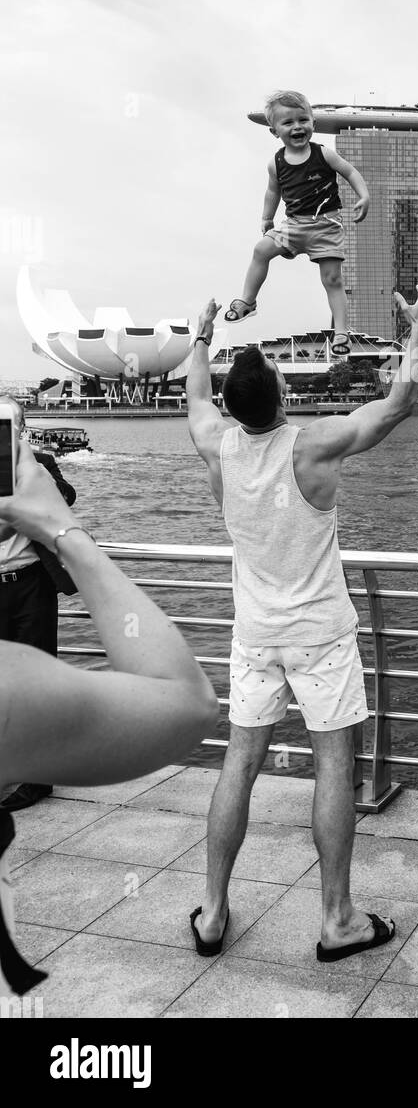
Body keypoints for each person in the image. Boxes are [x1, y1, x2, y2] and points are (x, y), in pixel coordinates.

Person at [185, 284, 418, 960]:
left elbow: (195, 399)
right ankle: (337, 920)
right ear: (284, 399)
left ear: (231, 411)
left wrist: (202, 334)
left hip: (256, 636)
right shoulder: (313, 446)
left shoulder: (217, 447)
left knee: (239, 762)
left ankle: (212, 912)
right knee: (332, 766)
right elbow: (398, 405)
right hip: (320, 635)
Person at [0, 439, 218, 996]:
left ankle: (34, 777)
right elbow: (187, 705)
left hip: (27, 582)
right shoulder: (9, 690)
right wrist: (63, 530)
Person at [224, 91, 370, 358]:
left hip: (326, 225)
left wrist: (364, 195)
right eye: (288, 123)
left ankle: (341, 331)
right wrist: (267, 217)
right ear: (274, 131)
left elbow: (349, 171)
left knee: (333, 279)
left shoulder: (323, 154)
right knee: (260, 250)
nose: (297, 127)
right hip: (294, 225)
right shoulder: (276, 163)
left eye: (303, 119)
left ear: (313, 122)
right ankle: (247, 301)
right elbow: (272, 192)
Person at [0, 398, 78, 812]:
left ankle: (38, 777)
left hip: (31, 584)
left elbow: (66, 498)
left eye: (10, 426)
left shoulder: (40, 463)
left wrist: (29, 464)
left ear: (23, 428)